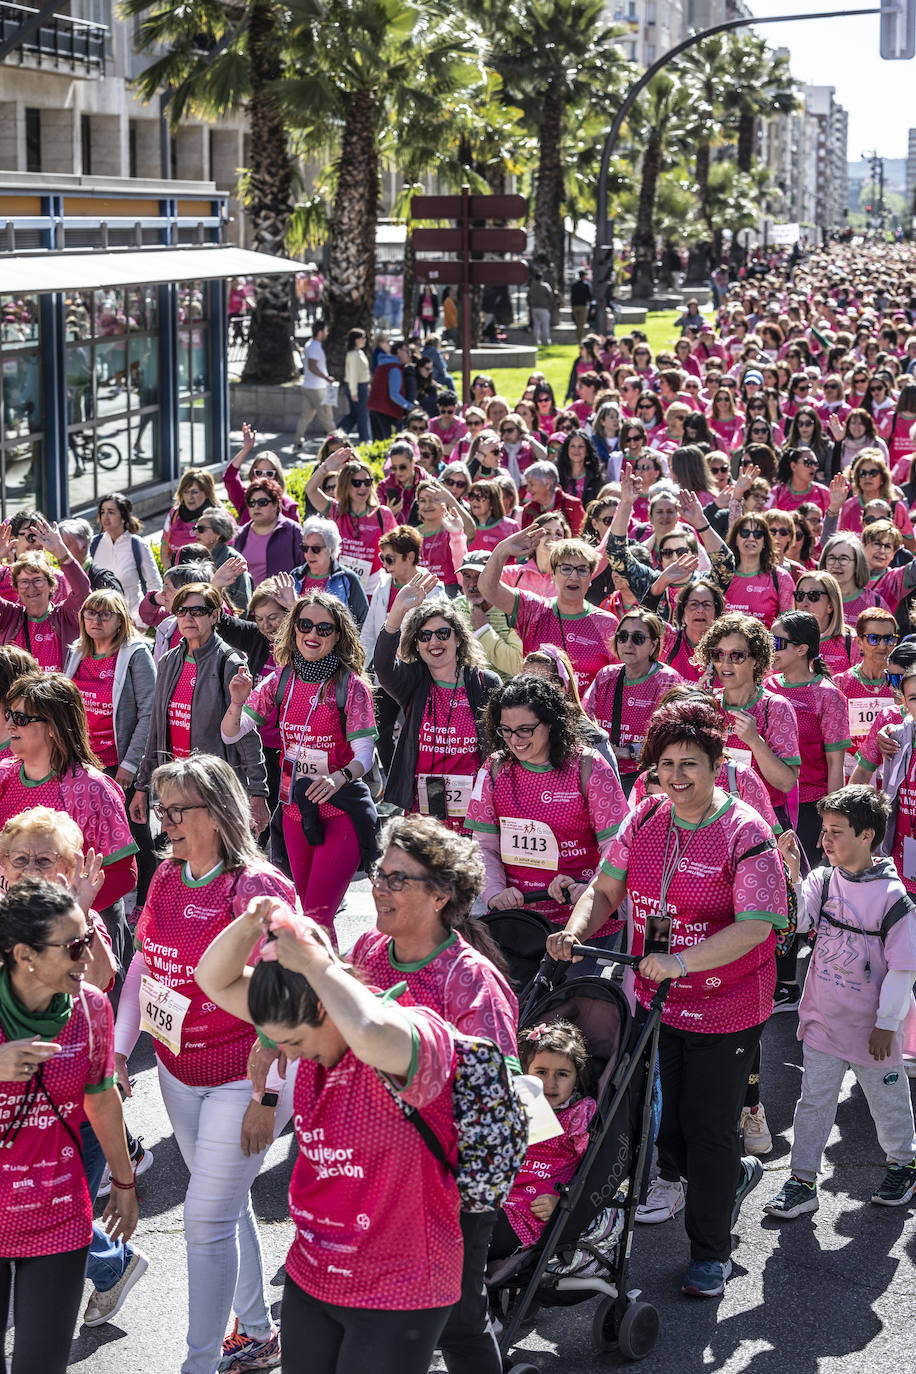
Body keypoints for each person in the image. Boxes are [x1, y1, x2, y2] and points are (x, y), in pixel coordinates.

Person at [547, 699, 787, 1298]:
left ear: (716, 764)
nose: (677, 776)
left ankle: (712, 1253)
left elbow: (758, 924)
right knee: (669, 1131)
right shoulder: (646, 817)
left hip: (727, 1005)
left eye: (691, 764)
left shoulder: (745, 831)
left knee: (708, 1129)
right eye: (666, 765)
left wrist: (681, 960)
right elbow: (604, 889)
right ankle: (729, 1175)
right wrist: (577, 930)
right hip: (657, 1001)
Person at [195, 896, 464, 1374]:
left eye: (295, 1042)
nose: (292, 1055)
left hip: (399, 1288)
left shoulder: (403, 1037)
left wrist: (317, 962)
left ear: (322, 1005)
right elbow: (212, 979)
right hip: (315, 1276)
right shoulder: (309, 1018)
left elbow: (363, 1027)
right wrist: (256, 918)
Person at [115, 757, 298, 1374]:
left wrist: (266, 1099)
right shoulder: (166, 876)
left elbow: (290, 993)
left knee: (204, 1217)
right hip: (174, 1068)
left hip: (243, 1076)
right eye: (161, 809)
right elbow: (146, 964)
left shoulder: (256, 887)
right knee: (226, 1204)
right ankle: (256, 1332)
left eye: (176, 811)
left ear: (217, 813)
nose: (163, 822)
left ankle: (198, 1364)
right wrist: (119, 1048)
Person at [349, 815, 518, 1374]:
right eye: (380, 873)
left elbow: (495, 1100)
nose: (380, 887)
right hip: (373, 1171)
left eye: (399, 879)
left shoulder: (470, 982)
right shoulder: (369, 949)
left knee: (458, 1319)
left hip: (445, 1184)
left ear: (441, 895)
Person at [0, 879, 138, 1374]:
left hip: (57, 1214)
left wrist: (124, 1182)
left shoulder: (90, 1008)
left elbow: (101, 1098)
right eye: (76, 945)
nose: (90, 956)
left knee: (41, 1365)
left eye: (91, 938)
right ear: (25, 955)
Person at [765, 788, 916, 1218]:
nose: (824, 841)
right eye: (824, 831)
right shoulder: (823, 879)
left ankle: (904, 1164)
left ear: (868, 835)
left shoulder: (893, 899)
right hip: (822, 1020)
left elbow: (904, 970)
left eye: (836, 832)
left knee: (886, 1101)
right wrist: (794, 873)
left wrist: (888, 1024)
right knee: (813, 1101)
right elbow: (800, 923)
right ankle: (801, 1181)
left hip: (873, 1032)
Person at [223, 591, 377, 927]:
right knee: (306, 915)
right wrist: (237, 702)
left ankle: (325, 978)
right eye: (305, 625)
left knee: (318, 916)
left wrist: (339, 778)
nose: (312, 634)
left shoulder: (351, 686)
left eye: (324, 629)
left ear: (338, 636)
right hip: (294, 809)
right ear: (294, 629)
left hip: (340, 810)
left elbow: (364, 755)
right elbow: (231, 733)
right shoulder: (281, 679)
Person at [0, 671, 138, 966]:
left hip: (80, 934)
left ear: (54, 727)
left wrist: (71, 910)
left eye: (22, 718)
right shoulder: (4, 776)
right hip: (14, 929)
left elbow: (125, 873)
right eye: (9, 714)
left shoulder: (91, 788)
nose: (10, 723)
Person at [466, 674, 626, 927]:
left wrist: (592, 891)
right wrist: (495, 892)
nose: (515, 741)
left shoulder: (589, 765)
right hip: (520, 921)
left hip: (584, 921)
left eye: (525, 730)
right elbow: (484, 846)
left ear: (550, 723)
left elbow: (616, 845)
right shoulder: (494, 768)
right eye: (506, 731)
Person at [131, 583, 270, 837]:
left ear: (215, 615)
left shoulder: (230, 662)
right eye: (181, 611)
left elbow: (247, 733)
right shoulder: (169, 660)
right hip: (174, 787)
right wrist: (142, 786)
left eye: (197, 611)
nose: (188, 617)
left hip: (214, 790)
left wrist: (258, 793)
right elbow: (157, 731)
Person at [374, 576, 500, 826]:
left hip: (476, 812)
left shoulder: (485, 682)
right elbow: (383, 666)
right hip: (423, 814)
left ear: (458, 638)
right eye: (425, 636)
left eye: (443, 633)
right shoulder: (412, 680)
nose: (434, 641)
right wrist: (398, 610)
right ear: (416, 644)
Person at [64, 590, 157, 907]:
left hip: (118, 764)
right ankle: (94, 897)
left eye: (105, 613)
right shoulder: (76, 653)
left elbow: (149, 713)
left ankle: (145, 903)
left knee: (135, 835)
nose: (96, 619)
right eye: (90, 612)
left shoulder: (135, 654)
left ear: (121, 620)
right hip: (80, 762)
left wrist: (130, 766)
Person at [479, 528, 618, 695]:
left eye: (582, 569)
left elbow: (618, 682)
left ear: (590, 578)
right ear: (553, 574)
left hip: (586, 718)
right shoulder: (533, 609)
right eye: (566, 568)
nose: (574, 576)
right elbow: (488, 589)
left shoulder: (607, 624)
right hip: (538, 716)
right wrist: (503, 549)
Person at [694, 611, 801, 825]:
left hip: (763, 822)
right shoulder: (707, 704)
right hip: (712, 820)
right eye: (718, 654)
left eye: (737, 656)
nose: (725, 663)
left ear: (757, 660)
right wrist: (693, 705)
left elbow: (787, 782)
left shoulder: (775, 707)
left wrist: (754, 741)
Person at [582, 610, 683, 793]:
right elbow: (584, 719)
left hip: (646, 778)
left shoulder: (668, 680)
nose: (628, 644)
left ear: (653, 645)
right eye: (622, 636)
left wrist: (628, 751)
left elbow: (673, 735)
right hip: (602, 771)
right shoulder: (606, 675)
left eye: (637, 638)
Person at [0, 515, 91, 669]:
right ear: (15, 587)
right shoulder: (9, 615)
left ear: (51, 584)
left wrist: (62, 552)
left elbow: (82, 592)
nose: (31, 587)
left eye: (37, 580)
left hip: (59, 692)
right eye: (24, 582)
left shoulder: (65, 616)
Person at [306, 454, 397, 594]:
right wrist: (325, 468)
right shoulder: (334, 510)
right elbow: (310, 490)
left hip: (373, 587)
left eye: (367, 482)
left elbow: (396, 551)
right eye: (357, 483)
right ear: (345, 485)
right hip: (339, 585)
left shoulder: (382, 514)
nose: (363, 487)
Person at [89, 492, 162, 624]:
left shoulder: (138, 544)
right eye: (102, 512)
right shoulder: (93, 544)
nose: (105, 516)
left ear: (123, 516)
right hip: (100, 622)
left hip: (132, 622)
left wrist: (142, 620)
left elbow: (155, 584)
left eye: (111, 512)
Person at [292, 516, 369, 627]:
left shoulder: (348, 578)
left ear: (331, 549)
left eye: (315, 548)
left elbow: (363, 621)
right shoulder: (295, 576)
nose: (309, 554)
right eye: (305, 548)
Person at [231, 477, 305, 588]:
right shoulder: (240, 535)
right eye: (251, 502)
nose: (256, 507)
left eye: (262, 502)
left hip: (282, 601)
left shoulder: (293, 531)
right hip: (247, 602)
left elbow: (306, 569)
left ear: (275, 504)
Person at [723, 513, 795, 626]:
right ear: (735, 540)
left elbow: (787, 628)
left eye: (757, 534)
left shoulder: (781, 578)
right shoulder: (722, 577)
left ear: (765, 541)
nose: (751, 538)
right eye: (745, 533)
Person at [224, 424, 301, 524]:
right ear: (252, 474)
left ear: (277, 476)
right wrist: (246, 449)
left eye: (269, 473)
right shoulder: (243, 498)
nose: (263, 477)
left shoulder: (288, 506)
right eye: (259, 472)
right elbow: (229, 477)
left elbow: (298, 537)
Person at [660, 580, 725, 682]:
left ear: (717, 614)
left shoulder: (727, 649)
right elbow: (643, 621)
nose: (700, 610)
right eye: (693, 604)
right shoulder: (669, 640)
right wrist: (663, 580)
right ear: (682, 613)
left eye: (707, 604)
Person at [192, 506, 252, 612]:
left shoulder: (233, 560)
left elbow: (243, 603)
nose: (195, 532)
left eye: (201, 529)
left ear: (218, 534)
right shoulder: (194, 556)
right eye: (195, 528)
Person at [160, 470, 222, 566]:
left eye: (195, 492)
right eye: (186, 492)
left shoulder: (219, 516)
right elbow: (164, 549)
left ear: (207, 492)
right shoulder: (174, 513)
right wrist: (173, 574)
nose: (190, 497)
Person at [294, 320, 336, 449]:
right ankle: (338, 444)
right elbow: (312, 366)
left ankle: (298, 441)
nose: (327, 333)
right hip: (317, 387)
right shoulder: (315, 346)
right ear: (320, 332)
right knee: (327, 417)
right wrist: (326, 378)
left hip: (309, 386)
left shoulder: (310, 344)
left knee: (306, 416)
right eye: (325, 330)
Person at [519, 461, 585, 535]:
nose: (527, 489)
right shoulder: (528, 510)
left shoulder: (572, 505)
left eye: (531, 484)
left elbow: (581, 538)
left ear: (547, 483)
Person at [368, 337, 411, 439]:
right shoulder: (394, 368)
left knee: (377, 445)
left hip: (374, 408)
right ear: (398, 351)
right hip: (388, 411)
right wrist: (410, 406)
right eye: (406, 351)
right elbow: (394, 394)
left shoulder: (383, 364)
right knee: (388, 443)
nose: (409, 354)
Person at [342, 328, 372, 442]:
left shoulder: (359, 352)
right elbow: (353, 374)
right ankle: (365, 440)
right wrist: (354, 392)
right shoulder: (354, 354)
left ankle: (339, 433)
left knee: (355, 415)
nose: (365, 340)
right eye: (362, 338)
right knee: (362, 416)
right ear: (355, 340)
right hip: (357, 387)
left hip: (361, 386)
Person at [528, 272, 555, 347]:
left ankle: (535, 341)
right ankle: (546, 342)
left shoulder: (532, 287)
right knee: (545, 326)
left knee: (536, 326)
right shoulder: (545, 286)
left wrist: (531, 305)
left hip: (534, 308)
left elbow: (528, 297)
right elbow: (550, 297)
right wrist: (550, 306)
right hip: (544, 308)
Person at [570, 269, 592, 341]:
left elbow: (572, 297)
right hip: (583, 306)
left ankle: (579, 339)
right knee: (581, 324)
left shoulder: (574, 285)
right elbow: (589, 297)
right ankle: (580, 340)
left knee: (578, 324)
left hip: (575, 306)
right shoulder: (586, 285)